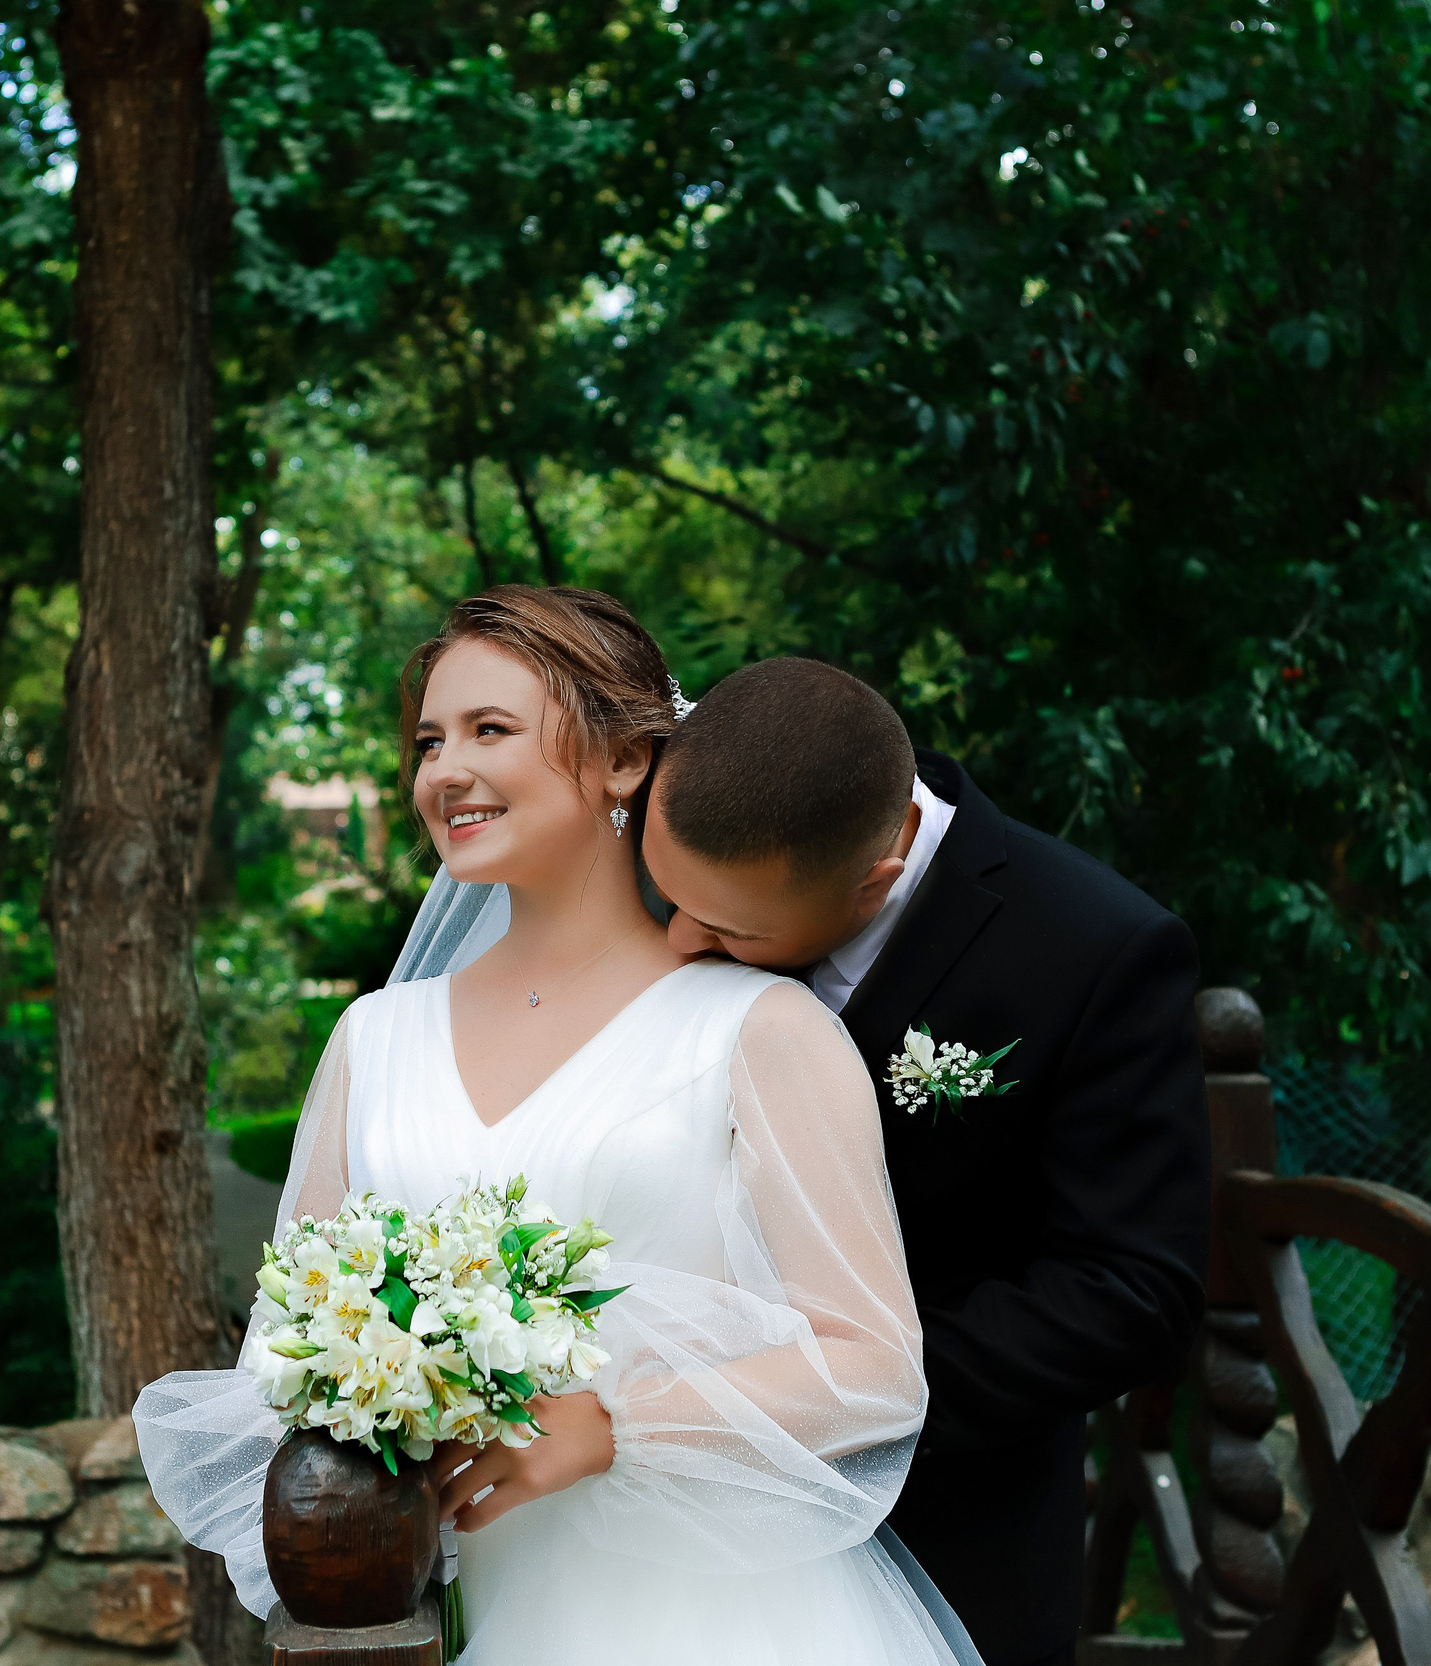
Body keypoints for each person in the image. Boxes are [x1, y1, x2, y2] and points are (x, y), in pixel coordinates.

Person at [136, 587, 969, 1666]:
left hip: (705, 1619)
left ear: (625, 761)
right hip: (462, 1602)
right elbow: (284, 1349)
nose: (443, 771)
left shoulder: (758, 1030)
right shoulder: (373, 1040)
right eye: (429, 740)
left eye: (490, 731)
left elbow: (871, 1366)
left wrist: (608, 1424)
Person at [394, 654, 1210, 1666]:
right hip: (609, 1537)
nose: (682, 940)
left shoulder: (1092, 948)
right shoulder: (713, 798)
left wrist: (811, 1393)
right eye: (666, 895)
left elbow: (1134, 1290)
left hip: (944, 1521)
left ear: (876, 877)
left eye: (731, 928)